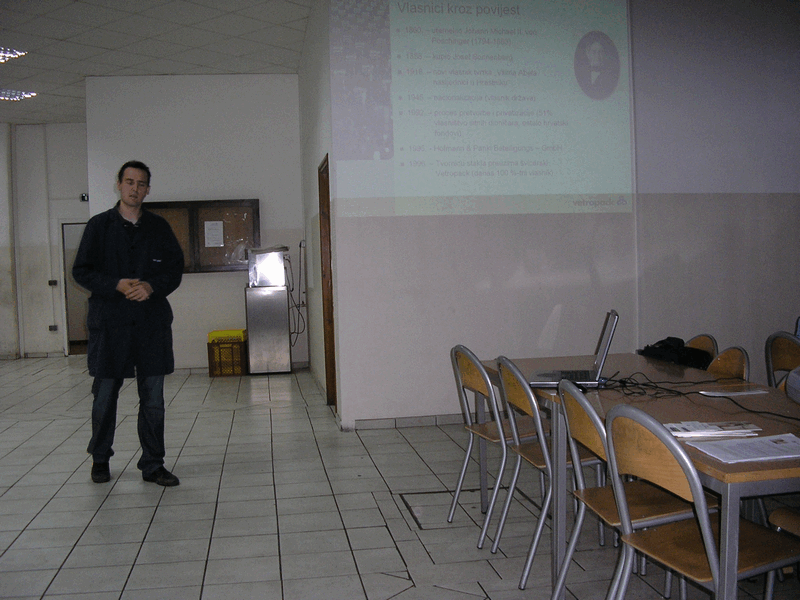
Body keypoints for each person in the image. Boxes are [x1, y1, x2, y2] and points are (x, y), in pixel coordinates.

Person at [73, 160, 184, 486]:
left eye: (141, 184)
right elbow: (81, 271)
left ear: (148, 189)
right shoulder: (98, 226)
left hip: (151, 326)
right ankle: (100, 459)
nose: (135, 188)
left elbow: (174, 270)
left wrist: (151, 286)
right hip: (110, 325)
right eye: (130, 182)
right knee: (105, 397)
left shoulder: (159, 228)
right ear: (119, 185)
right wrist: (115, 285)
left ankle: (153, 464)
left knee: (153, 400)